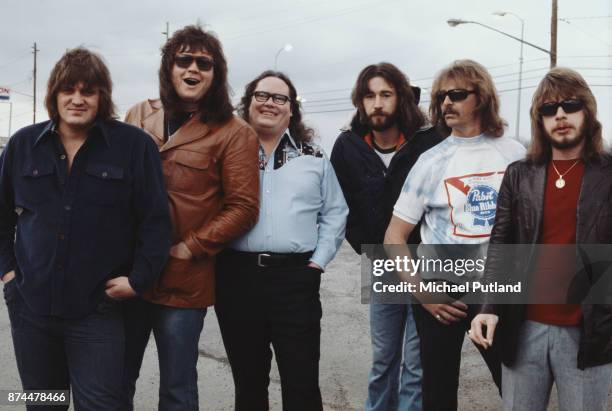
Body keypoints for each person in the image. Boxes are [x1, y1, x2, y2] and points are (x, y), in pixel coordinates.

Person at [0, 47, 171, 410]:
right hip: (31, 307)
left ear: (101, 96)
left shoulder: (133, 147)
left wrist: (139, 279)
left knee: (101, 404)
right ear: (54, 95)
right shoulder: (21, 146)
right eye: (68, 90)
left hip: (98, 310)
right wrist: (8, 274)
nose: (77, 99)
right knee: (44, 404)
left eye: (87, 91)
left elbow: (156, 221)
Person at [121, 25, 260, 410]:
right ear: (169, 68)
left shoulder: (234, 133)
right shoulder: (137, 114)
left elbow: (244, 207)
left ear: (216, 75)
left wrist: (189, 247)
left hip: (183, 283)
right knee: (115, 382)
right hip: (128, 276)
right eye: (184, 60)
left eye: (204, 63)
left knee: (178, 390)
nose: (192, 69)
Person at [384, 59, 526, 410]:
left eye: (457, 94)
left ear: (482, 97)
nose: (447, 102)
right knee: (438, 393)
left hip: (496, 284)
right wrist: (424, 295)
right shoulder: (430, 161)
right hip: (439, 288)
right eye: (442, 96)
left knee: (516, 383)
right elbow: (394, 236)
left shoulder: (514, 153)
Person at [469, 67, 612, 411]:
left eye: (570, 105)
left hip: (589, 332)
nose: (560, 115)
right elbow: (501, 246)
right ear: (540, 120)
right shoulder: (520, 175)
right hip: (522, 328)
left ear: (587, 111)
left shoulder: (609, 173)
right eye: (549, 109)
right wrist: (488, 308)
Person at [215, 70, 348, 411]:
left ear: (291, 109)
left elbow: (335, 213)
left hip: (295, 279)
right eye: (262, 96)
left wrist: (317, 262)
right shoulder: (225, 154)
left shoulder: (313, 157)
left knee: (301, 382)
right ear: (248, 104)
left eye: (280, 98)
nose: (270, 103)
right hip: (237, 278)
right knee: (248, 383)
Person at [330, 62, 443, 411]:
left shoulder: (430, 142)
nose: (377, 103)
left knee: (416, 362)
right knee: (384, 359)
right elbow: (340, 205)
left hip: (426, 264)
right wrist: (370, 248)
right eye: (369, 95)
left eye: (385, 94)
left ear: (401, 99)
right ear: (360, 102)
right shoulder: (347, 146)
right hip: (382, 266)